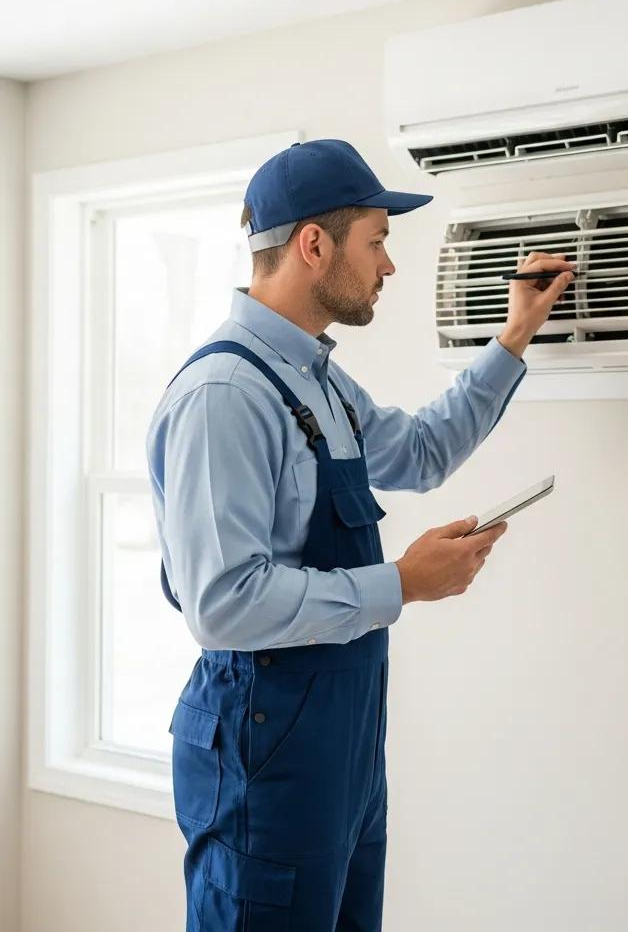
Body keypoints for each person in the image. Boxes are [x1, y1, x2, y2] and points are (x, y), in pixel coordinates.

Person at [145, 138, 575, 931]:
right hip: (261, 753)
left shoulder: (314, 377)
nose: (388, 265)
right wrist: (403, 583)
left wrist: (513, 336)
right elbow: (221, 605)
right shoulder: (225, 394)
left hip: (340, 749)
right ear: (315, 245)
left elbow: (417, 452)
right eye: (377, 240)